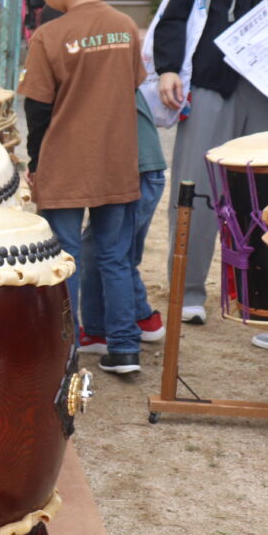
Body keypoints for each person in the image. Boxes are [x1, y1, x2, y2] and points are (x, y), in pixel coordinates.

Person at [154, 0, 268, 347]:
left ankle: (263, 299)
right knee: (197, 188)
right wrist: (168, 66)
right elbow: (177, 11)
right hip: (212, 84)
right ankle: (187, 291)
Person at [19, 0, 146, 375]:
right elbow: (130, 86)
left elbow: (36, 109)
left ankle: (65, 349)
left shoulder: (49, 36)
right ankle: (125, 348)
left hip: (66, 164)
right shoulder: (127, 27)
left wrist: (36, 165)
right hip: (117, 163)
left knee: (64, 257)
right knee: (114, 256)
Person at [78, 89, 169, 354]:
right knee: (111, 252)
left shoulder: (104, 63)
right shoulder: (110, 59)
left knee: (111, 254)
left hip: (132, 169)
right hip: (141, 169)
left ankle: (107, 335)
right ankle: (142, 318)